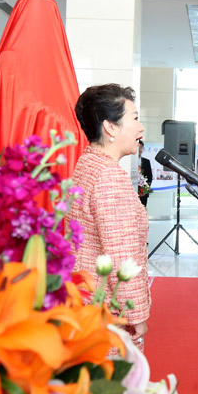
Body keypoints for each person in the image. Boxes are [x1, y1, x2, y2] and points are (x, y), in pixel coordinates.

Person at [67, 83, 150, 348]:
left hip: (82, 303)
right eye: (135, 119)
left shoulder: (87, 164)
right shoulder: (109, 177)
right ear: (110, 127)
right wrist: (136, 314)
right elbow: (122, 255)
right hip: (106, 313)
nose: (141, 128)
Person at [136, 140, 153, 207]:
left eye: (141, 147)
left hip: (143, 194)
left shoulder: (146, 161)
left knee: (143, 209)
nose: (139, 150)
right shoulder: (130, 162)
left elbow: (149, 177)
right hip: (133, 192)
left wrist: (144, 191)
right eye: (138, 147)